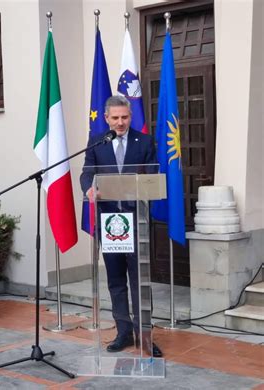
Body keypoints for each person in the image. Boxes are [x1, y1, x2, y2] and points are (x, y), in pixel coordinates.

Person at [80, 95, 162, 357]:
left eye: (124, 117)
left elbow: (152, 174)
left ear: (130, 116)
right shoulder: (97, 142)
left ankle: (145, 335)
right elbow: (87, 172)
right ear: (106, 118)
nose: (120, 122)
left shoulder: (145, 141)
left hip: (136, 220)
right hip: (109, 221)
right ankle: (123, 332)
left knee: (139, 281)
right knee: (116, 280)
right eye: (115, 118)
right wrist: (89, 188)